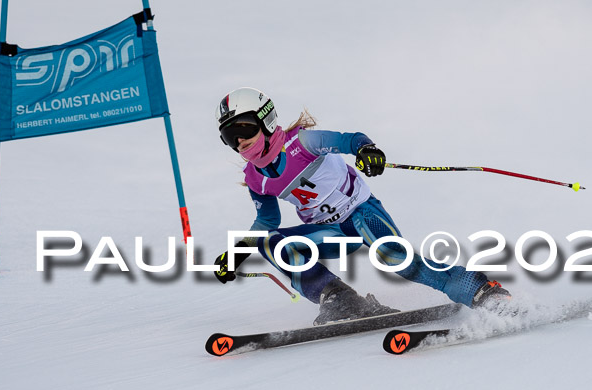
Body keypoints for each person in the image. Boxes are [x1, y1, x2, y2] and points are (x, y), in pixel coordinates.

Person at [213, 87, 509, 325]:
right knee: (270, 242)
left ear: (265, 121)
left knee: (395, 259)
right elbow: (266, 221)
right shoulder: (255, 178)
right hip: (331, 233)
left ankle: (481, 292)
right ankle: (340, 299)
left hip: (361, 213)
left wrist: (366, 150)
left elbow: (349, 140)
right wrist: (237, 253)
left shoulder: (302, 143)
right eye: (230, 135)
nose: (240, 141)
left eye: (245, 127)